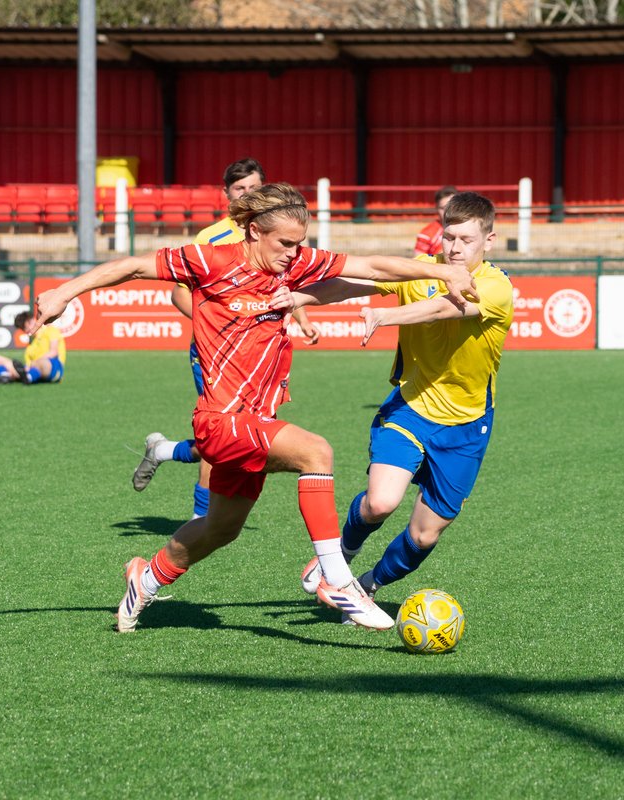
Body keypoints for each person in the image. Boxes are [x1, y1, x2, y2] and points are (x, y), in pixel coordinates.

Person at [34, 183, 480, 633]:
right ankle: (338, 580)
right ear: (252, 231)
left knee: (219, 529)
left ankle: (144, 579)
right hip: (221, 420)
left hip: (254, 422)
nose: (293, 253)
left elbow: (370, 265)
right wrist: (63, 292)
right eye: (285, 243)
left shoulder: (295, 263)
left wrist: (446, 274)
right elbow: (131, 266)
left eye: (298, 243)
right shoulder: (210, 261)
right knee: (316, 452)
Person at [294, 192, 512, 616]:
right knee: (380, 502)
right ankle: (340, 555)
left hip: (467, 428)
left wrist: (384, 317)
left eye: (466, 239)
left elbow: (444, 309)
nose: (454, 248)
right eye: (449, 237)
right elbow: (348, 285)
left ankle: (367, 585)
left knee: (425, 535)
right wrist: (297, 299)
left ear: (489, 240)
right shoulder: (420, 272)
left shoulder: (496, 287)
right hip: (410, 409)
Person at [132, 158, 319, 522]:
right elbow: (178, 294)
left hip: (259, 354)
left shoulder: (281, 235)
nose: (248, 194)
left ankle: (163, 450)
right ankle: (202, 519)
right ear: (227, 195)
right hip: (217, 353)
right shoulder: (211, 239)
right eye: (240, 189)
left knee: (241, 434)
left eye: (254, 188)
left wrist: (303, 318)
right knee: (227, 428)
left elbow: (285, 286)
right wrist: (220, 326)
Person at [0, 310, 66, 385]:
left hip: (54, 369)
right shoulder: (29, 348)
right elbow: (28, 365)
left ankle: (28, 376)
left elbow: (54, 352)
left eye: (30, 323)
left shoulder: (51, 331)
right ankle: (6, 376)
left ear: (35, 319)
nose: (30, 328)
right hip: (33, 370)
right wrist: (27, 368)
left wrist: (33, 363)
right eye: (25, 328)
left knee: (43, 362)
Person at [413, 185, 458, 257]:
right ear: (436, 208)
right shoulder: (426, 234)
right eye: (443, 208)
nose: (447, 211)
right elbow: (417, 261)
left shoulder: (469, 229)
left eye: (451, 207)